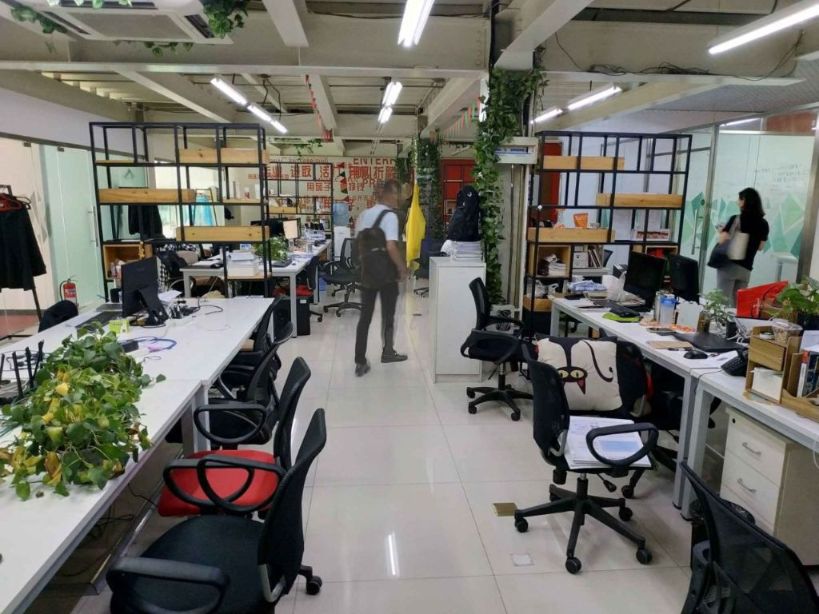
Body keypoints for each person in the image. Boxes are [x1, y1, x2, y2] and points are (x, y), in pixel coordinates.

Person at [354, 179, 409, 377]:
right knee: (388, 315)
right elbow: (391, 246)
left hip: (367, 274)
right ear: (388, 194)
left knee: (365, 318)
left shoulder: (364, 215)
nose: (398, 198)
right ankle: (388, 352)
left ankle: (360, 361)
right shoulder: (390, 216)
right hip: (387, 275)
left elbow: (358, 245)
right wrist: (402, 268)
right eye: (396, 194)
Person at [716, 187, 769, 306]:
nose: (737, 202)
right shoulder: (764, 224)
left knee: (721, 302)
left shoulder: (736, 219)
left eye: (739, 199)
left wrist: (721, 231)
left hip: (729, 265)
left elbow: (722, 240)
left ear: (744, 201)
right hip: (746, 269)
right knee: (739, 305)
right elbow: (760, 247)